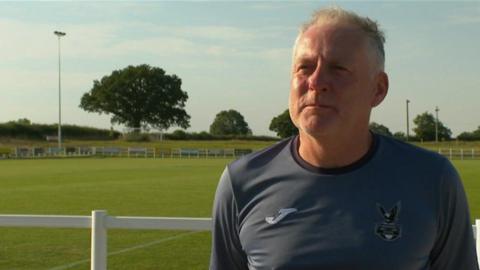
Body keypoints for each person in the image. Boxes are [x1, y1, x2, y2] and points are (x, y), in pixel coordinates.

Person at [210, 6, 478, 270]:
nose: (316, 81)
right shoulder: (242, 182)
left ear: (379, 88)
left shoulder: (432, 179)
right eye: (304, 67)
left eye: (337, 68)